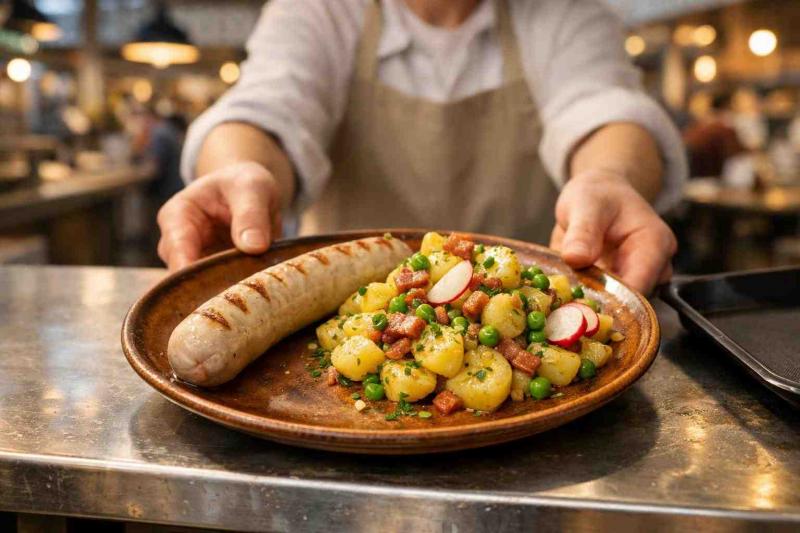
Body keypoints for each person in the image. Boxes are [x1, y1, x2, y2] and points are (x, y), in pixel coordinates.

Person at [158, 0, 687, 294]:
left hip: (527, 309)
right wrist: (238, 170)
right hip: (339, 314)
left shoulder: (566, 12)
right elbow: (265, 108)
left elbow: (604, 108)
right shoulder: (317, 10)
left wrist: (610, 178)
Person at [683, 92, 746, 178]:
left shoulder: (700, 123)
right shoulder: (724, 127)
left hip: (689, 173)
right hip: (706, 178)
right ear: (728, 106)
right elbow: (736, 152)